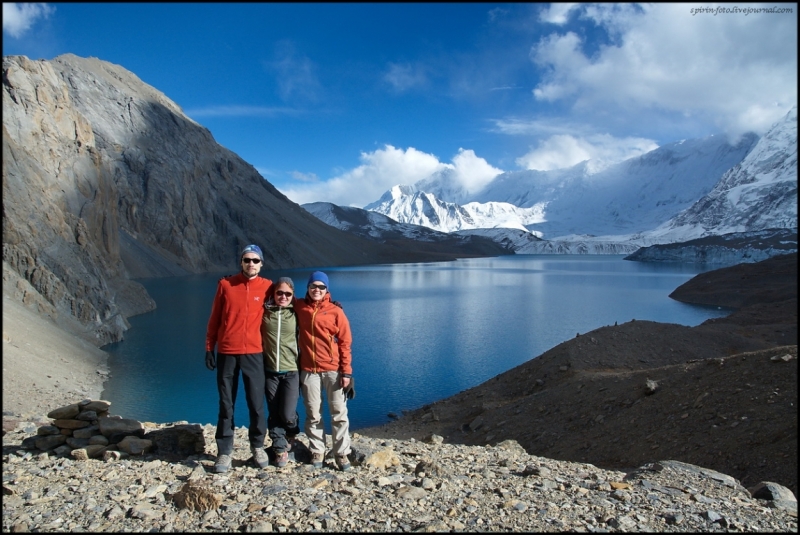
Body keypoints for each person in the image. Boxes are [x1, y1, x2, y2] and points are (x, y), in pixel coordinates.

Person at [205, 244, 272, 473]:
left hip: (254, 352)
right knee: (226, 403)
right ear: (241, 262)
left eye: (255, 260)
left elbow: (289, 305)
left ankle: (257, 446)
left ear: (261, 264)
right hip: (227, 352)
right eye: (247, 260)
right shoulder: (226, 285)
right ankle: (224, 452)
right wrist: (208, 348)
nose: (251, 264)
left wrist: (330, 301)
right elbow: (214, 318)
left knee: (256, 403)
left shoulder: (268, 287)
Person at [296, 271, 354, 471]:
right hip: (309, 370)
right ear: (308, 288)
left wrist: (346, 372)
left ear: (327, 289)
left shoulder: (335, 311)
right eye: (313, 286)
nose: (317, 290)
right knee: (313, 414)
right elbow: (278, 296)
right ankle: (317, 451)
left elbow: (345, 343)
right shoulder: (299, 306)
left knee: (338, 413)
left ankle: (342, 454)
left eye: (321, 287)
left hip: (333, 370)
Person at [261, 277, 301, 468]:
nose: (283, 296)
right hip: (270, 371)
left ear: (293, 296)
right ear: (273, 294)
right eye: (279, 293)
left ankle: (292, 430)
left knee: (287, 414)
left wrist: (332, 300)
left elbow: (316, 305)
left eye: (288, 294)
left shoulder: (297, 312)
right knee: (274, 412)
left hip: (291, 370)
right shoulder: (263, 311)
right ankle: (279, 449)